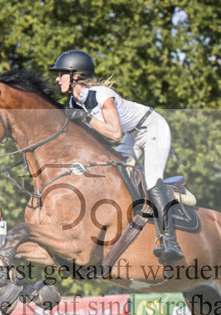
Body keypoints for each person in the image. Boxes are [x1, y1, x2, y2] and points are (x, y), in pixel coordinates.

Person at [49, 49, 183, 265]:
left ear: (76, 76)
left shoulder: (101, 95)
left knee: (152, 180)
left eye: (61, 74)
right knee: (110, 173)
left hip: (152, 128)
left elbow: (113, 133)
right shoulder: (75, 103)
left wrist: (84, 118)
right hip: (133, 135)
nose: (57, 79)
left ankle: (170, 241)